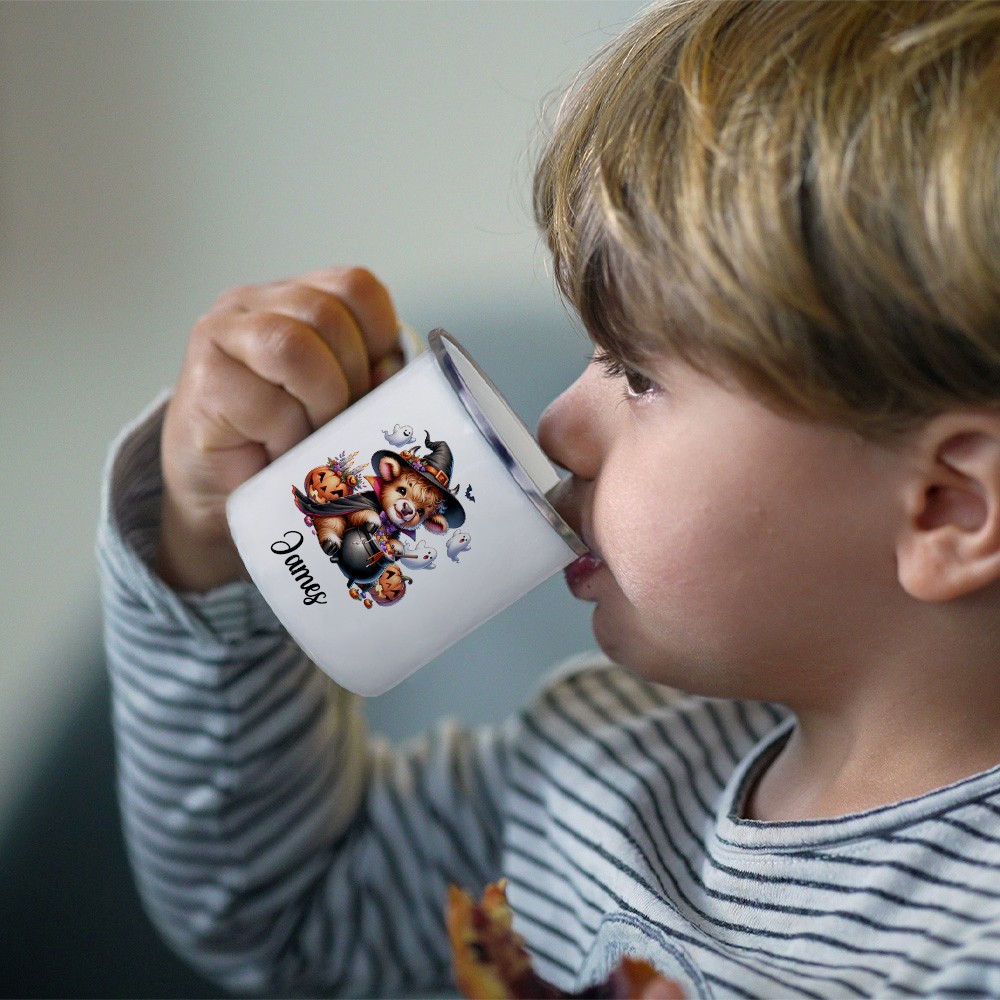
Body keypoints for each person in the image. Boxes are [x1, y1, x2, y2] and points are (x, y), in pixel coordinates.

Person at [99, 1, 1000, 996]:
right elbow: (284, 909)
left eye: (638, 376)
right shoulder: (589, 764)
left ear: (946, 508)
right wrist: (209, 547)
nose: (560, 425)